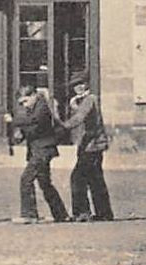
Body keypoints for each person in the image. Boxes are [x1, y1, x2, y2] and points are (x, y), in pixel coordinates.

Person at [7, 85, 69, 224]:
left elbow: (35, 121)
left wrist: (14, 121)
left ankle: (29, 214)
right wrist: (19, 136)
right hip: (38, 150)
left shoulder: (42, 106)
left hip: (43, 149)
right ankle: (60, 214)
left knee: (26, 179)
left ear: (34, 95)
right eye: (21, 103)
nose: (24, 105)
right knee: (45, 183)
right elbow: (32, 128)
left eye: (25, 101)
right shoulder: (32, 109)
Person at [62, 73, 114, 221]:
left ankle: (82, 212)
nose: (78, 87)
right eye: (74, 85)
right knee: (95, 179)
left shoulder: (90, 99)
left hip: (93, 144)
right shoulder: (79, 101)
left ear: (86, 84)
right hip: (87, 145)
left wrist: (61, 126)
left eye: (81, 83)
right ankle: (104, 213)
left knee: (77, 178)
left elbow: (79, 118)